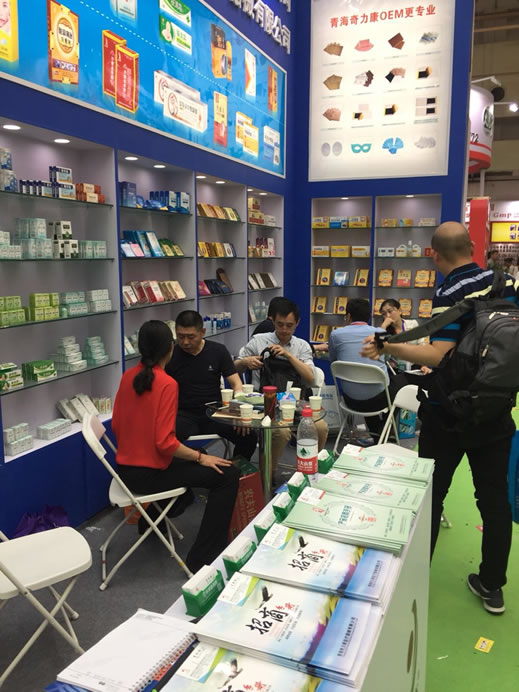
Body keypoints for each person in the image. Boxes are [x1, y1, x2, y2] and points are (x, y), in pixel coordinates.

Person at [361, 221, 519, 614]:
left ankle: (416, 579)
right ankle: (492, 586)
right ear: (472, 246)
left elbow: (438, 354)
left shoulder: (450, 290)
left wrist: (389, 347)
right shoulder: (507, 283)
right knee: (494, 501)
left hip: (449, 412)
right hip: (496, 410)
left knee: (432, 497)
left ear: (433, 255)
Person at [112, 320, 239, 573]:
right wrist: (200, 458)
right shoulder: (167, 384)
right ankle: (203, 559)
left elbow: (117, 425)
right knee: (227, 474)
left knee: (199, 459)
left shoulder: (128, 376)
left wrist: (196, 456)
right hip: (149, 474)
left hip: (125, 470)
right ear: (170, 348)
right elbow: (165, 443)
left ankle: (150, 523)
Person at [234, 298, 328, 484]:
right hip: (265, 403)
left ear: (297, 323)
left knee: (320, 427)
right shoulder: (259, 341)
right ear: (272, 321)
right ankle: (267, 477)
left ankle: (309, 470)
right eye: (280, 324)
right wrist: (245, 362)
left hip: (295, 403)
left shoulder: (301, 346)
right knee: (281, 432)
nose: (284, 330)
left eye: (289, 325)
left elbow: (310, 378)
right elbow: (233, 367)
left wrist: (289, 356)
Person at [166, 310, 257, 460]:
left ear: (202, 332)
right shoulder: (171, 354)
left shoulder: (218, 351)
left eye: (191, 337)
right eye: (180, 337)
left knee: (249, 436)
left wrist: (237, 410)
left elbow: (236, 383)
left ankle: (235, 469)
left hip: (214, 411)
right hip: (183, 413)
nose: (185, 342)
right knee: (165, 440)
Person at [328, 298, 407, 438]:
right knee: (403, 381)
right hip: (377, 401)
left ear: (348, 316)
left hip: (350, 400)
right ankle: (383, 429)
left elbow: (333, 359)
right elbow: (387, 358)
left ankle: (377, 434)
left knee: (364, 383)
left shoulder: (335, 335)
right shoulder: (380, 333)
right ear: (369, 317)